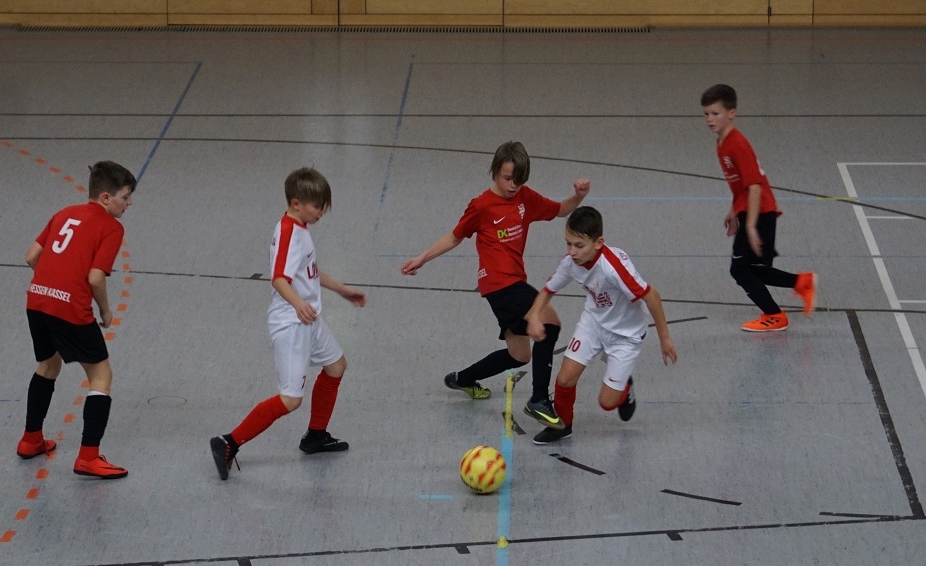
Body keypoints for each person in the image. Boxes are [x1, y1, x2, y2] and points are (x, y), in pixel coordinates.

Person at [401, 141, 589, 428]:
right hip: (499, 283)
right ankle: (539, 399)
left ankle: (462, 379)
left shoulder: (525, 198)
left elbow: (561, 209)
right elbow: (454, 236)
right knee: (549, 321)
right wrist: (422, 259)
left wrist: (578, 196)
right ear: (495, 171)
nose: (513, 185)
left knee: (520, 355)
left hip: (512, 283)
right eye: (507, 178)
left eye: (518, 180)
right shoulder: (481, 206)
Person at [209, 167, 366, 481]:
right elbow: (279, 278)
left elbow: (310, 271)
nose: (321, 212)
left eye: (324, 206)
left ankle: (316, 436)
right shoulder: (289, 234)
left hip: (308, 317)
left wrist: (342, 289)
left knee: (336, 366)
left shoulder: (301, 228)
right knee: (291, 399)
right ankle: (229, 442)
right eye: (317, 206)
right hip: (292, 323)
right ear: (296, 203)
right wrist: (298, 304)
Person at [17, 160, 136, 479]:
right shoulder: (111, 227)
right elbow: (95, 278)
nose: (129, 203)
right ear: (106, 198)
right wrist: (106, 311)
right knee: (101, 376)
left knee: (48, 365)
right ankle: (89, 457)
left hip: (36, 300)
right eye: (125, 197)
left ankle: (30, 439)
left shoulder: (64, 213)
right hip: (69, 308)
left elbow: (31, 256)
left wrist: (52, 283)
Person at [525, 206, 677, 444]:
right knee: (564, 379)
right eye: (568, 244)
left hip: (625, 336)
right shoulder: (570, 263)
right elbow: (548, 290)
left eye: (579, 245)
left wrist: (665, 338)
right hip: (594, 324)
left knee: (606, 403)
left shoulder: (613, 267)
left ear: (598, 243)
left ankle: (625, 387)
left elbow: (652, 297)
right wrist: (534, 316)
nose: (572, 252)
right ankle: (562, 427)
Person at [701, 84, 817, 332]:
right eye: (706, 114)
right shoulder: (722, 143)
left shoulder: (737, 145)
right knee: (749, 269)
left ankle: (775, 315)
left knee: (740, 271)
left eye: (715, 113)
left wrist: (751, 226)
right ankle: (802, 282)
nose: (710, 119)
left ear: (732, 113)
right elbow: (740, 184)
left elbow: (754, 186)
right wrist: (734, 210)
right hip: (750, 211)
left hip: (760, 214)